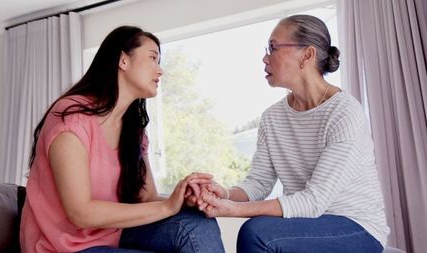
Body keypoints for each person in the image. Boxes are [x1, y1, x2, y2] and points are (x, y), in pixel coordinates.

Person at [188, 14, 389, 253]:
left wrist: (234, 210)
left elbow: (314, 201)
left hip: (358, 227)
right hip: (307, 223)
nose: (265, 57)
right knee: (257, 230)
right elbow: (259, 182)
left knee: (259, 233)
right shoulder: (273, 117)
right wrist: (226, 194)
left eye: (272, 47)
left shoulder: (344, 113)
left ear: (307, 55)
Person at [20, 26, 225, 253]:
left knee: (195, 223)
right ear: (123, 61)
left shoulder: (133, 130)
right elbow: (80, 213)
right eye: (153, 58)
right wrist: (167, 208)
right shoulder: (72, 117)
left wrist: (182, 197)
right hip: (63, 247)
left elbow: (148, 198)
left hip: (113, 236)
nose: (160, 70)